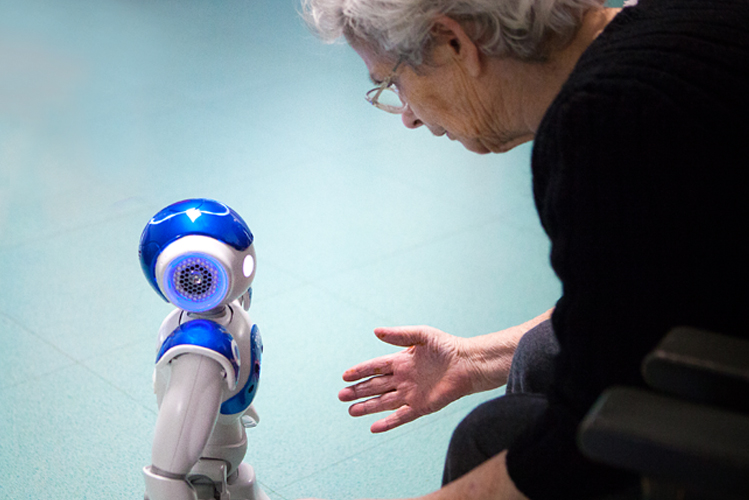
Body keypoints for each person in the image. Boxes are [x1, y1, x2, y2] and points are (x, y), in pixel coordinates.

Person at [300, 0, 748, 498]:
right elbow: (645, 298)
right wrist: (474, 359)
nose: (406, 117)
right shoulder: (670, 22)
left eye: (392, 82)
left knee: (489, 438)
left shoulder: (609, 125)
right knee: (537, 352)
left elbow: (587, 443)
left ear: (454, 43)